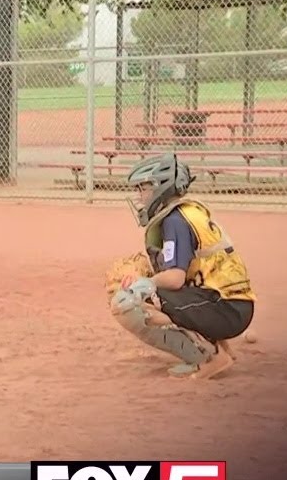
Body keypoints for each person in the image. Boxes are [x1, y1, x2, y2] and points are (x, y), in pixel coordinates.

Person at [110, 153, 256, 379]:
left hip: (226, 308)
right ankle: (221, 349)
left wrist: (142, 284)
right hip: (232, 304)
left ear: (161, 187)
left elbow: (176, 278)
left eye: (143, 188)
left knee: (128, 302)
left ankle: (209, 358)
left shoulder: (175, 221)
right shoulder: (186, 212)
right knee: (156, 290)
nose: (140, 195)